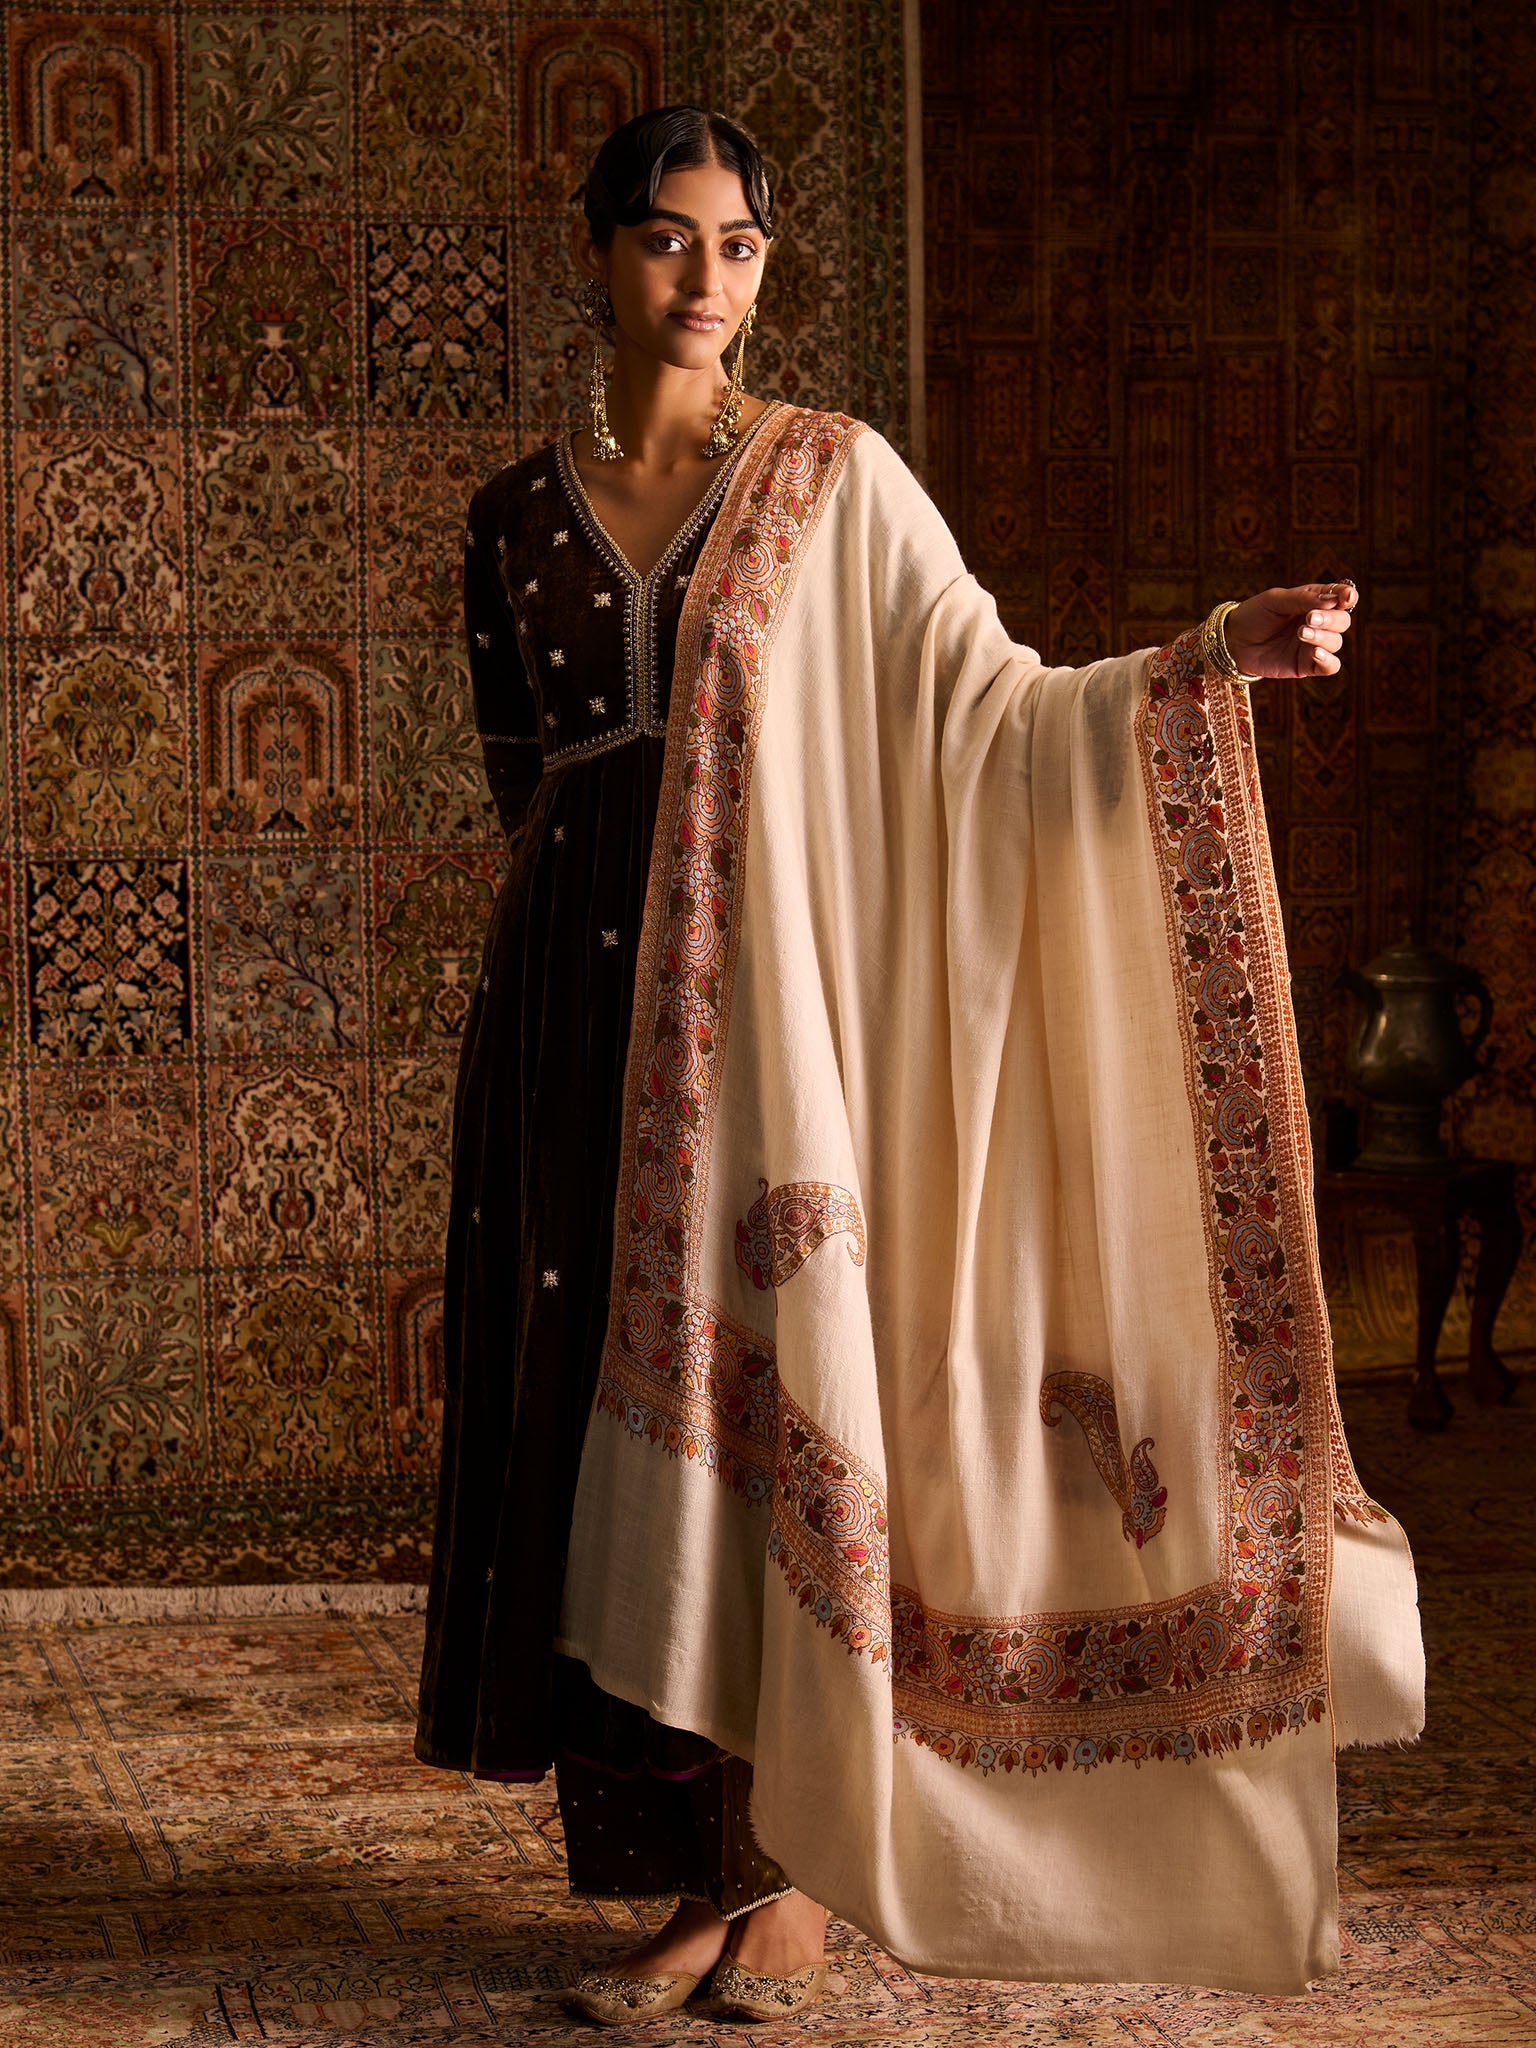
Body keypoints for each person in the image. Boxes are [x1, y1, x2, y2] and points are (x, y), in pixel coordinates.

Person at [415, 106, 1424, 2023]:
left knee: (771, 1399)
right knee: (586, 1433)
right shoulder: (511, 517)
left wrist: (1211, 658)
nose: (705, 279)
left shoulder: (833, 482)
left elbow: (995, 706)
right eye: (666, 238)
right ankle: (683, 1880)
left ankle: (790, 1877)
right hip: (562, 1025)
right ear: (598, 251)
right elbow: (525, 785)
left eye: (737, 245)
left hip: (767, 1025)